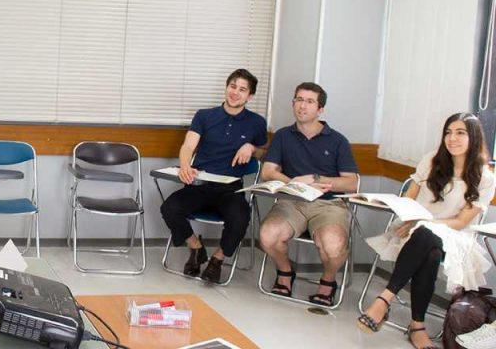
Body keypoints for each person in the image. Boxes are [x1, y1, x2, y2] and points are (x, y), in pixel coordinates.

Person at [357, 113, 495, 349]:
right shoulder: (432, 160)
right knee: (429, 249)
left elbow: (461, 222)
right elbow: (409, 197)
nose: (452, 138)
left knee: (428, 236)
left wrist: (422, 224)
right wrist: (410, 219)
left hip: (455, 236)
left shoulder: (485, 177)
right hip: (415, 229)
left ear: (473, 137)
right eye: (448, 132)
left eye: (460, 133)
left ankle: (384, 299)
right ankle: (417, 326)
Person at [159, 69, 268, 283]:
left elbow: (264, 150)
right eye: (233, 86)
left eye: (242, 89)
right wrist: (184, 166)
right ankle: (196, 248)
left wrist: (252, 148)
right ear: (226, 87)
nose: (235, 92)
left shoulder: (256, 122)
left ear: (250, 96)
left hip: (231, 189)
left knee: (240, 217)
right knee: (169, 208)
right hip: (199, 184)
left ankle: (217, 259)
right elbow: (188, 145)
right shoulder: (204, 116)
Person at [258, 82, 359, 307]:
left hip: (328, 205)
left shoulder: (337, 140)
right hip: (292, 201)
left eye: (309, 101)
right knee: (268, 236)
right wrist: (293, 182)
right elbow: (268, 171)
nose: (302, 106)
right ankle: (285, 272)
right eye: (299, 100)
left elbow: (352, 183)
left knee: (333, 245)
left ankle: (328, 281)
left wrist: (315, 179)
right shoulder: (284, 136)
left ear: (320, 109)